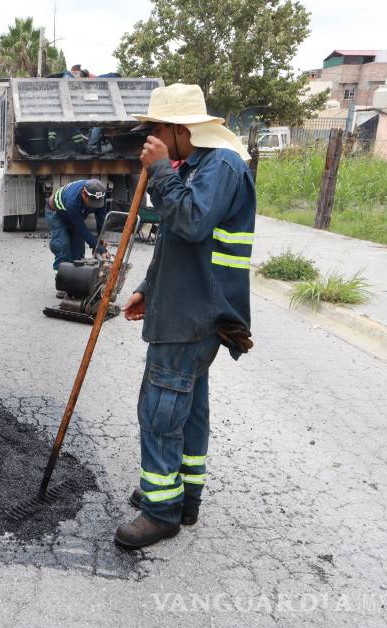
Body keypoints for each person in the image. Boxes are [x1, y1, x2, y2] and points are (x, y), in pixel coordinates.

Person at [115, 83, 255, 550]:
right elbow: (177, 242)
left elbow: (192, 221)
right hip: (182, 303)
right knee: (187, 408)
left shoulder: (222, 167)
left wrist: (158, 170)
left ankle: (161, 512)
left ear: (179, 128)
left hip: (195, 312)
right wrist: (147, 288)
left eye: (156, 128)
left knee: (160, 410)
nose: (151, 137)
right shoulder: (196, 167)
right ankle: (182, 497)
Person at [44, 179, 108, 270]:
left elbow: (101, 220)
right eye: (92, 202)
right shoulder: (72, 201)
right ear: (83, 194)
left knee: (78, 253)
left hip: (73, 216)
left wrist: (101, 242)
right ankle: (60, 275)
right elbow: (81, 228)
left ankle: (75, 276)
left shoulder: (101, 197)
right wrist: (97, 246)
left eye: (97, 202)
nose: (94, 206)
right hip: (56, 213)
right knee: (63, 245)